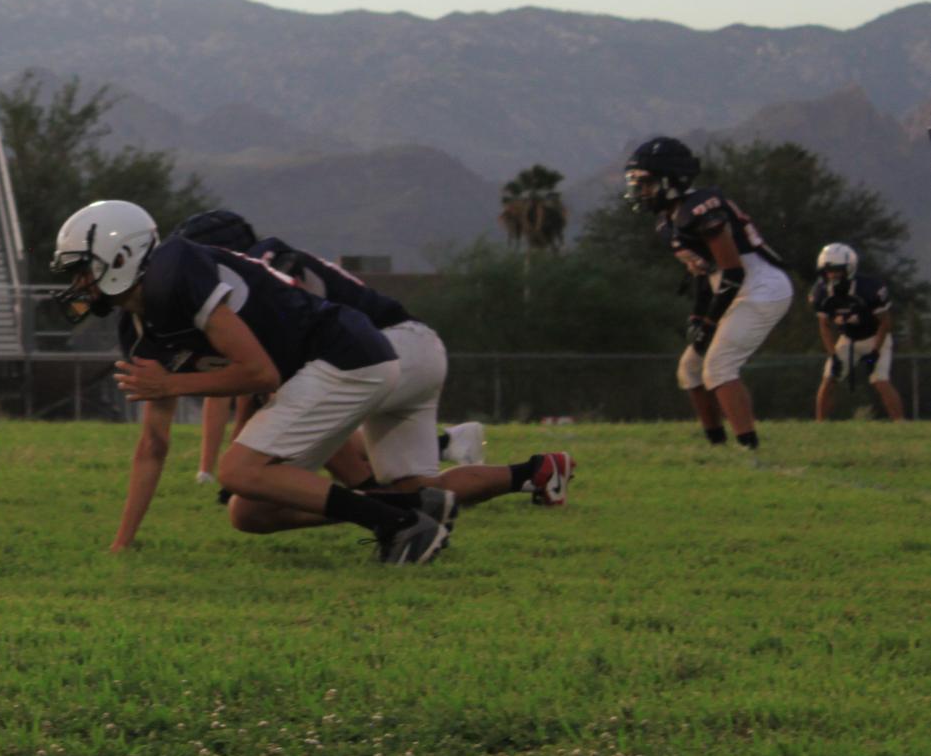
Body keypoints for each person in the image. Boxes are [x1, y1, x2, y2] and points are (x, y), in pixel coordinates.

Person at [53, 201, 453, 565]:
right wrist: (123, 542)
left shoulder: (175, 274)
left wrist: (172, 385)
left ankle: (400, 526)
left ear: (121, 257)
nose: (80, 284)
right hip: (318, 367)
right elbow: (152, 446)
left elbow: (261, 374)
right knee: (251, 512)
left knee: (238, 470)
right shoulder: (140, 326)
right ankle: (411, 504)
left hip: (344, 353)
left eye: (83, 269)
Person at [172, 209, 573, 518]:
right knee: (415, 490)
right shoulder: (266, 265)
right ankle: (534, 472)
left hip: (383, 351)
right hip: (416, 348)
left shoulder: (263, 266)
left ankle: (390, 520)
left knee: (260, 498)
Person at [624, 137, 792, 449]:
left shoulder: (700, 209)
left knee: (719, 366)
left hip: (761, 289)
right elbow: (704, 275)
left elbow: (733, 271)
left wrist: (710, 322)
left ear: (671, 181)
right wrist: (698, 317)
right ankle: (717, 444)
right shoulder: (667, 223)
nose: (641, 192)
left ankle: (748, 449)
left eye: (646, 184)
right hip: (732, 291)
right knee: (690, 369)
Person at [810, 243, 906, 422]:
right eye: (828, 271)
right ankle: (819, 424)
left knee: (880, 381)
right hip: (848, 339)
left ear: (850, 268)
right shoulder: (821, 292)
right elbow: (824, 325)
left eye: (837, 270)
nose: (832, 275)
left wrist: (875, 352)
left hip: (876, 337)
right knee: (829, 378)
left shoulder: (869, 287)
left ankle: (900, 423)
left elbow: (885, 322)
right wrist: (833, 355)